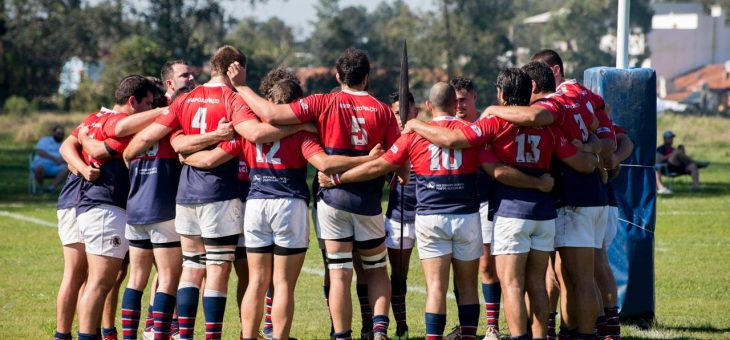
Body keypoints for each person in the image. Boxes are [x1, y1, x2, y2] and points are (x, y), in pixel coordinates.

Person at [124, 45, 309, 340]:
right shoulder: (233, 99)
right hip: (218, 195)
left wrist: (130, 156)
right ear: (237, 69)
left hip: (185, 196)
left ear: (211, 67)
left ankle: (179, 335)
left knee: (191, 267)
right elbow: (257, 134)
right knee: (219, 269)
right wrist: (303, 124)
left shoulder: (186, 99)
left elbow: (154, 138)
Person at [227, 48, 399, 340]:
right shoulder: (309, 131)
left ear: (336, 75)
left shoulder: (253, 123)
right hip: (294, 204)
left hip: (258, 204)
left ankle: (250, 337)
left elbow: (259, 127)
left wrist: (241, 87)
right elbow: (330, 163)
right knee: (284, 282)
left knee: (258, 279)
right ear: (367, 77)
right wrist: (371, 159)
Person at [60, 75, 159, 340]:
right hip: (103, 205)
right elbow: (103, 146)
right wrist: (166, 111)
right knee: (99, 281)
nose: (151, 109)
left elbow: (72, 144)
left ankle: (73, 334)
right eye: (148, 104)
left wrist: (81, 160)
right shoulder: (121, 124)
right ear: (132, 101)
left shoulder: (94, 118)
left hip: (86, 203)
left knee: (89, 279)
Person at [449, 76, 502, 340]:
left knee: (486, 267)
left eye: (463, 99)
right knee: (462, 270)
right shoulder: (447, 126)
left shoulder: (486, 125)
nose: (459, 105)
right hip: (457, 204)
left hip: (484, 202)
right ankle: (465, 326)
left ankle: (492, 326)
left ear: (474, 98)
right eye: (455, 99)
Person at [385, 91, 419, 340]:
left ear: (416, 112)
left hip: (429, 214)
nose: (401, 117)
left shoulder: (427, 135)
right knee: (399, 274)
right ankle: (401, 324)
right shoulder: (387, 141)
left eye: (406, 112)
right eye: (397, 112)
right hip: (399, 215)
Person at [32, 125, 69, 192]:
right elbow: (39, 152)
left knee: (67, 168)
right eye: (58, 133)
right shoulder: (45, 140)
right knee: (39, 168)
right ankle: (41, 188)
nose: (60, 135)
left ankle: (51, 188)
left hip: (56, 166)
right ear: (54, 133)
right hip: (42, 164)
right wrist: (54, 159)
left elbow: (68, 155)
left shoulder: (65, 144)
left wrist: (63, 160)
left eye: (62, 134)